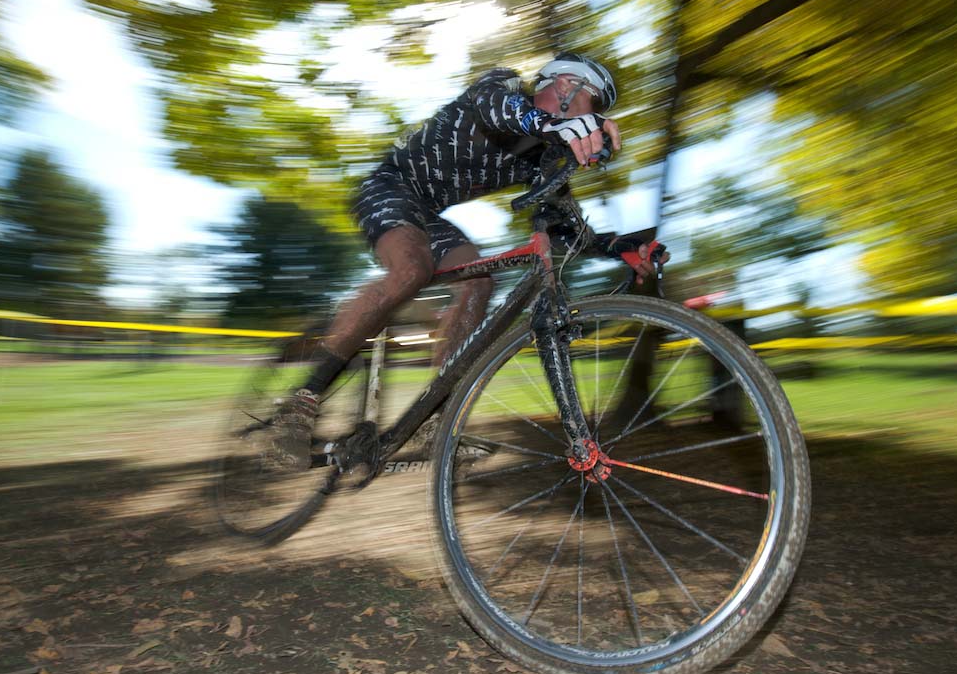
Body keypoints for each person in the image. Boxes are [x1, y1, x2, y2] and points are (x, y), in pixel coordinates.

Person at [272, 52, 665, 461]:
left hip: (427, 215)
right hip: (390, 187)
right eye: (596, 103)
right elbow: (493, 108)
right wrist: (558, 126)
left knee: (480, 280)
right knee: (412, 269)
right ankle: (301, 401)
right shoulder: (504, 87)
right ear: (566, 86)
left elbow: (566, 228)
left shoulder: (543, 155)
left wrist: (617, 246)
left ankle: (434, 423)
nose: (596, 117)